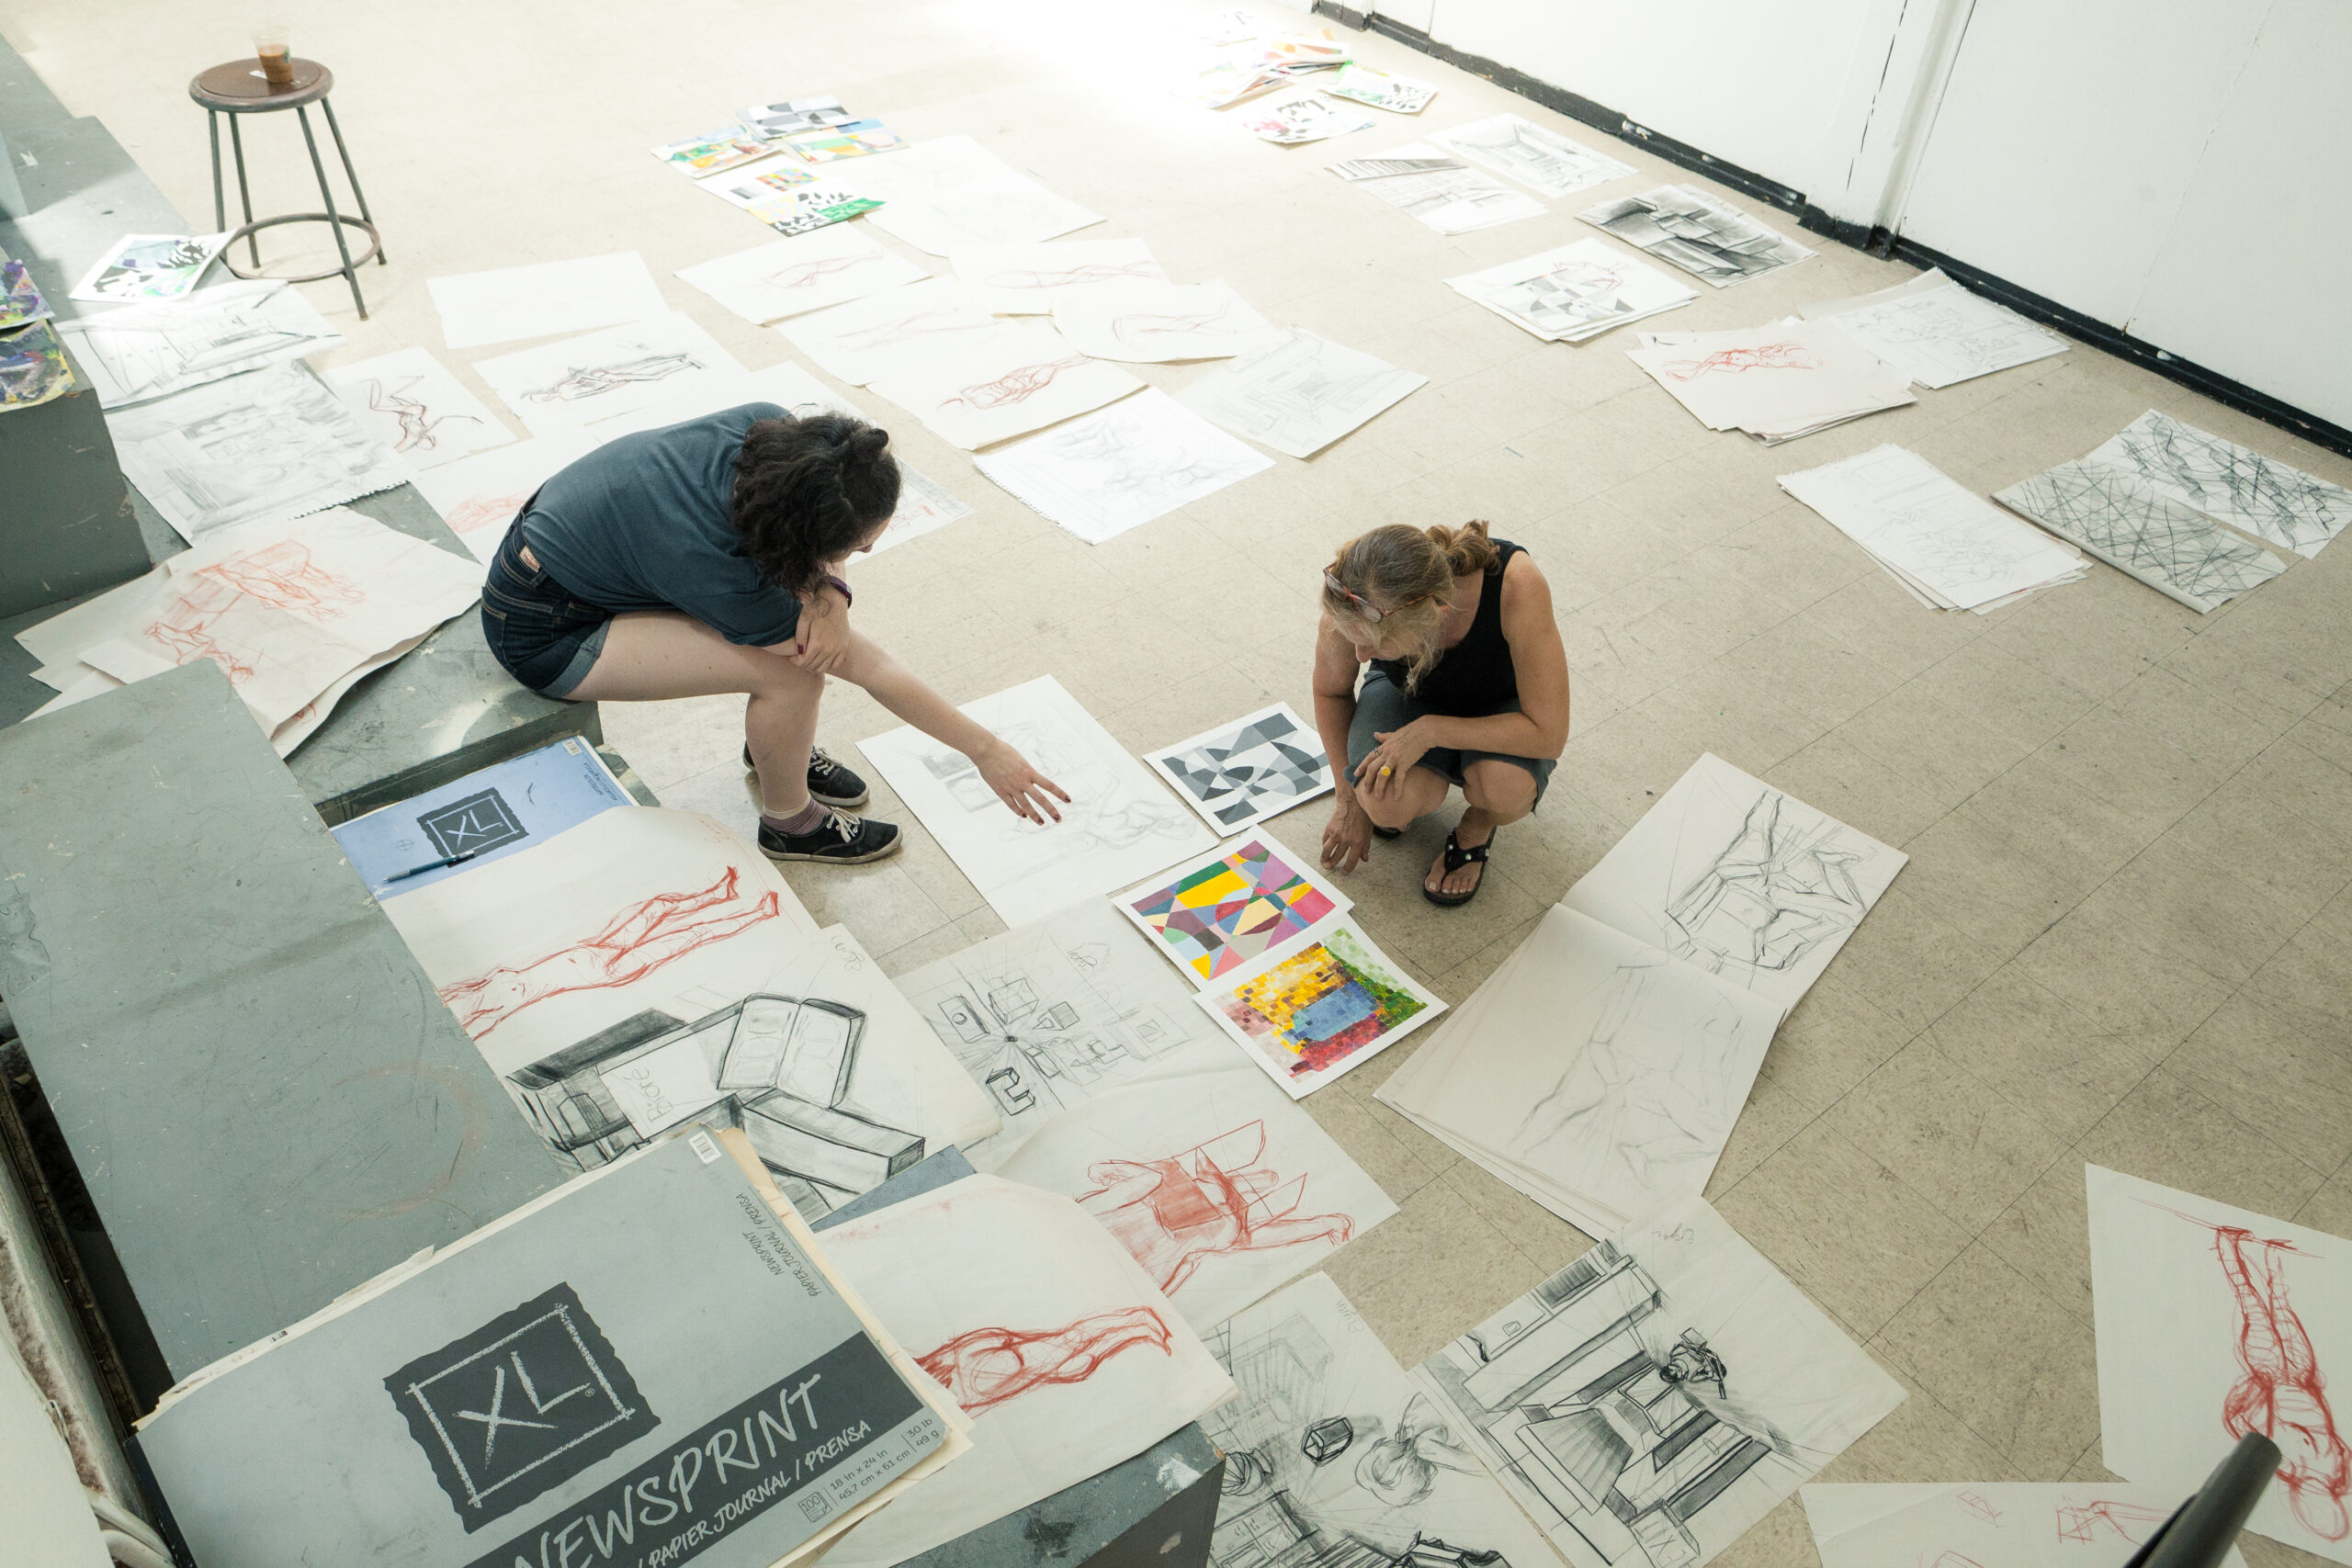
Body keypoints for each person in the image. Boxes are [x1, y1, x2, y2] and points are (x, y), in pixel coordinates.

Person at [479, 401, 1067, 863]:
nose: (861, 552)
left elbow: (819, 573)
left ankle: (774, 750)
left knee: (803, 643)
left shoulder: (777, 439)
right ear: (802, 535)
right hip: (545, 627)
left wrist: (831, 595)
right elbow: (869, 667)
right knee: (793, 673)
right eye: (855, 546)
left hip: (591, 560)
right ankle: (792, 825)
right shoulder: (713, 564)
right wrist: (986, 751)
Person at [1312, 521, 1570, 906]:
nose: (1360, 657)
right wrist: (1348, 798)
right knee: (1381, 799)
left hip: (1499, 707)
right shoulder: (1351, 600)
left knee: (1503, 787)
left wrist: (1430, 732)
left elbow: (1548, 734)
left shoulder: (1518, 586)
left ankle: (1477, 826)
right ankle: (1410, 788)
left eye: (1374, 646)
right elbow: (1331, 691)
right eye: (1355, 642)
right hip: (1409, 697)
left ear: (1437, 616)